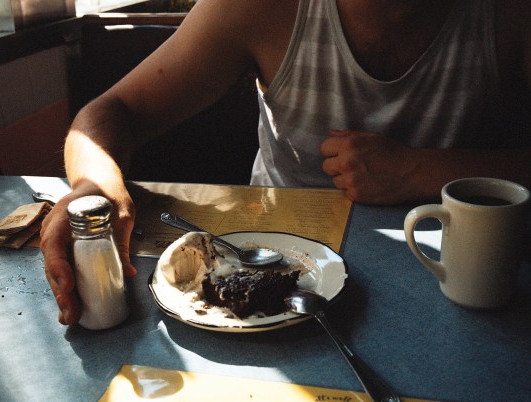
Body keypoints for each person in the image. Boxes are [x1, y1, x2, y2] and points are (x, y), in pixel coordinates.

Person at [41, 0, 531, 325]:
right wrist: (94, 186)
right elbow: (110, 114)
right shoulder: (259, 7)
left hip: (465, 286)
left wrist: (416, 170)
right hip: (268, 274)